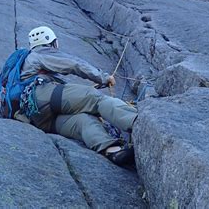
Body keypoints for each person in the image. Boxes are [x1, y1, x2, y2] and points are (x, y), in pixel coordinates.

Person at [13, 26, 138, 166]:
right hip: (41, 94)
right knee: (94, 98)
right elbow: (74, 64)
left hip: (36, 117)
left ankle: (113, 151)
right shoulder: (42, 53)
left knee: (82, 120)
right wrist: (103, 78)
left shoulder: (27, 60)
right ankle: (137, 122)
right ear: (52, 42)